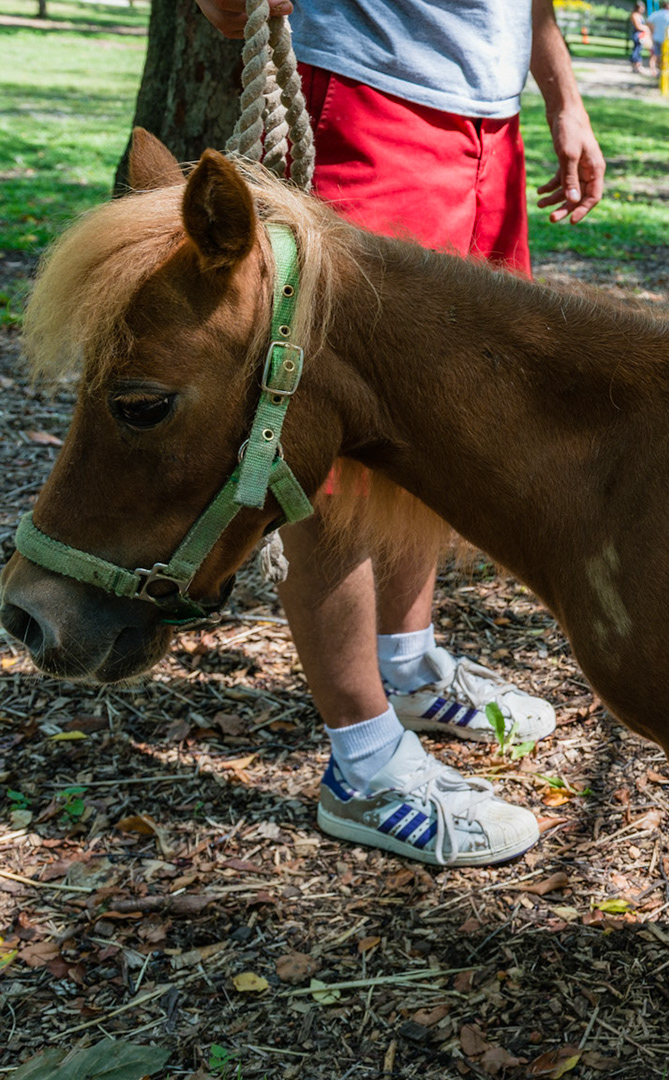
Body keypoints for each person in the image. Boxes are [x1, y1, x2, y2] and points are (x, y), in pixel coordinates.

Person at [194, 0, 605, 867]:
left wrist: (561, 96)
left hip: (490, 122)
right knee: (335, 442)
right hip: (366, 98)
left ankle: (408, 667)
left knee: (435, 421)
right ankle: (364, 764)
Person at [629, 3, 653, 74]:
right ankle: (635, 65)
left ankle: (638, 65)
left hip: (641, 34)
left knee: (639, 49)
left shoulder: (640, 16)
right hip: (637, 34)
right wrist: (646, 28)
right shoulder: (634, 15)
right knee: (636, 49)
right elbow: (638, 26)